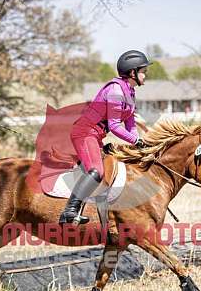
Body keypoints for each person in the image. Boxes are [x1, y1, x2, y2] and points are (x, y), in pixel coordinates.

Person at [59, 49, 152, 225]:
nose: (145, 75)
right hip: (85, 133)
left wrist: (139, 141)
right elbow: (116, 126)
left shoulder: (129, 91)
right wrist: (135, 141)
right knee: (97, 171)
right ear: (132, 72)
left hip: (97, 135)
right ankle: (69, 211)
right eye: (143, 72)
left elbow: (130, 123)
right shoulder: (116, 90)